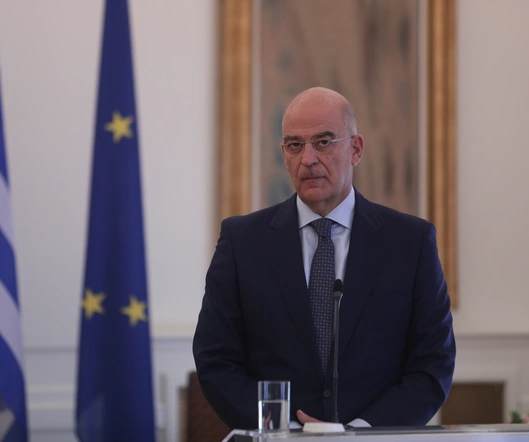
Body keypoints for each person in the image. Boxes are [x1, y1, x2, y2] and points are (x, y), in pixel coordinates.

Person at [193, 87, 456, 430]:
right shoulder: (242, 241)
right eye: (295, 145)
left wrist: (359, 433)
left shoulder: (410, 242)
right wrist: (285, 429)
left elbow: (432, 365)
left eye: (324, 142)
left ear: (356, 149)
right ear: (284, 154)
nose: (308, 159)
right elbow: (216, 360)